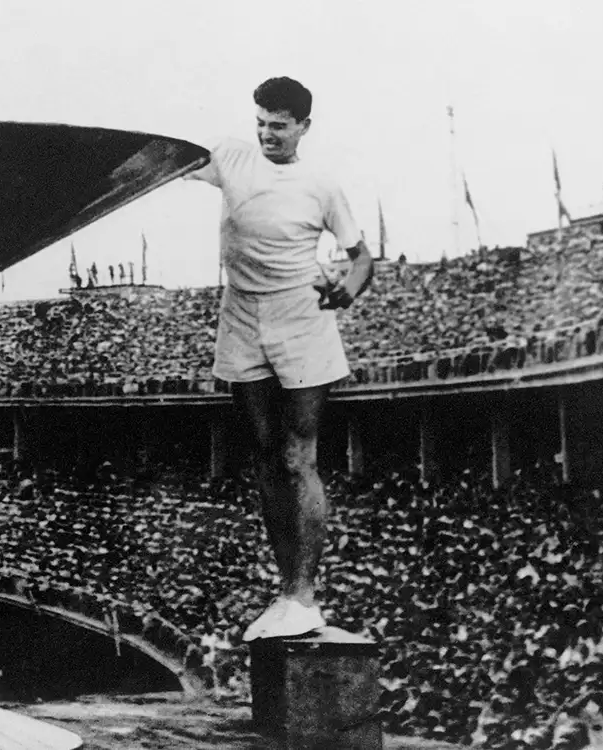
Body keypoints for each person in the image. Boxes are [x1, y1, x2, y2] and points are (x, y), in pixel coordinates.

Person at [185, 76, 373, 641]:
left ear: (303, 127)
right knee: (265, 456)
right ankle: (285, 591)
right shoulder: (231, 157)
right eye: (261, 123)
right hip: (241, 314)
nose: (268, 134)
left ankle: (305, 595)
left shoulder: (321, 185)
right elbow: (167, 164)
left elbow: (362, 259)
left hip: (300, 316)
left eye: (280, 126)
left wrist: (346, 292)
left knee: (298, 457)